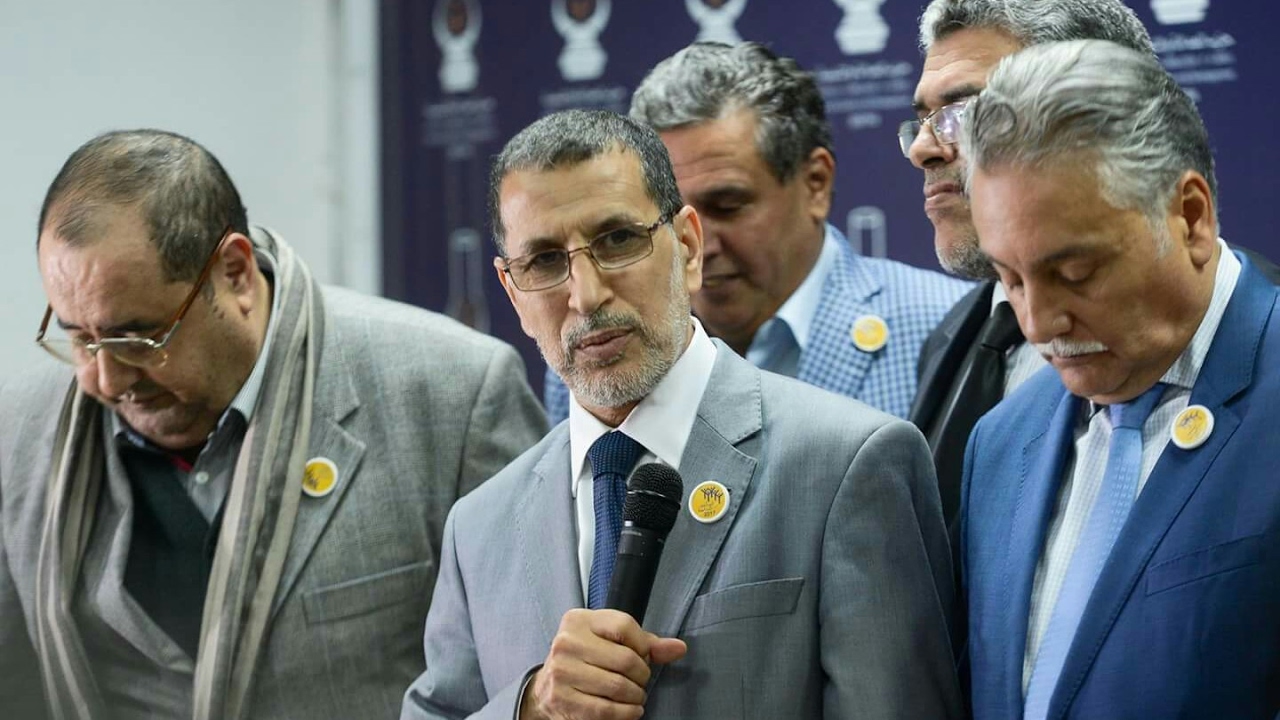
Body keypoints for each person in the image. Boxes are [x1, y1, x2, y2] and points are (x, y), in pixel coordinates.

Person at [401, 109, 962, 719]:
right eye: (543, 261)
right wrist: (530, 707)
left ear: (688, 247)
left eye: (618, 240)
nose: (586, 295)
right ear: (512, 292)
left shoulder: (847, 463)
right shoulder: (478, 527)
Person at [0, 130, 548, 719]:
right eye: (79, 338)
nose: (105, 380)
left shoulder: (452, 397)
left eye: (138, 338)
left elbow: (531, 681)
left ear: (234, 273)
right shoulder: (22, 431)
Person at [960, 40, 1280, 719]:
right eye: (1009, 279)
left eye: (1075, 273)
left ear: (1190, 217)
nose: (1038, 322)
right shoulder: (999, 443)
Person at [541, 41, 973, 424]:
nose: (696, 244)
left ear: (815, 184)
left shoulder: (948, 328)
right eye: (670, 216)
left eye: (727, 206)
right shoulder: (599, 358)